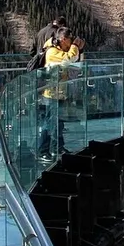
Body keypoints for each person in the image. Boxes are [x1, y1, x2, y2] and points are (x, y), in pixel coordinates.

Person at [38, 29, 83, 162]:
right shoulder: (52, 52)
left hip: (59, 93)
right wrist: (75, 47)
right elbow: (68, 59)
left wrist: (79, 49)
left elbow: (74, 62)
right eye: (70, 40)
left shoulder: (59, 50)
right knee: (48, 124)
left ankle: (57, 148)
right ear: (63, 39)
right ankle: (43, 151)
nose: (71, 43)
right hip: (51, 94)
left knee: (58, 123)